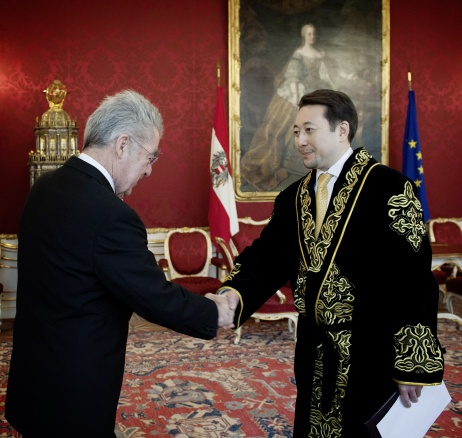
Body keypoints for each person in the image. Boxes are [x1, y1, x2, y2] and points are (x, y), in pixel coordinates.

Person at [5, 90, 236, 438]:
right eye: (150, 157)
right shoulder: (110, 214)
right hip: (74, 393)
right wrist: (215, 312)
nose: (149, 170)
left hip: (33, 378)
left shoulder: (44, 188)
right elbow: (154, 296)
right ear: (123, 144)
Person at [219, 89, 444, 437]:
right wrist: (233, 293)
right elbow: (268, 256)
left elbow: (411, 279)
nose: (299, 141)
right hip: (313, 349)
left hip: (372, 351)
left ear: (342, 130)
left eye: (309, 130)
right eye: (296, 131)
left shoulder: (389, 188)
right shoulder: (293, 197)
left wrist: (413, 363)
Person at [240, 23, 336, 192]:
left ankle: (320, 164)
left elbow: (324, 76)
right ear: (304, 36)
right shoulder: (299, 54)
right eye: (309, 34)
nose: (312, 37)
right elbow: (292, 75)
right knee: (284, 124)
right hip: (299, 91)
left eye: (314, 34)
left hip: (317, 92)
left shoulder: (320, 55)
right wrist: (297, 94)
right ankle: (288, 163)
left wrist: (333, 90)